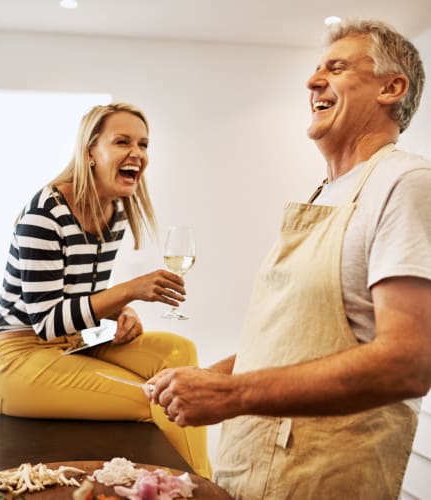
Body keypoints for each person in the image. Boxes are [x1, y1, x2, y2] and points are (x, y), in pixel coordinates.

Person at [147, 19, 431, 499]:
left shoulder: (405, 184)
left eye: (336, 68)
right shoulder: (326, 192)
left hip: (325, 478)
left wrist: (230, 395)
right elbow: (296, 343)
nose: (312, 81)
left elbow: (408, 362)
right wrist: (214, 376)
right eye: (317, 68)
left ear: (392, 87)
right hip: (253, 465)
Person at [0, 102, 211, 478]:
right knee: (160, 397)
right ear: (91, 151)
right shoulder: (46, 212)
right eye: (122, 141)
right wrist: (128, 292)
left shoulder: (115, 214)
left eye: (143, 144)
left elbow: (79, 300)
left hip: (71, 345)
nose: (136, 153)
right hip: (17, 359)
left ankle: (194, 482)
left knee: (178, 350)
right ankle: (199, 486)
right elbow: (47, 322)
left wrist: (121, 313)